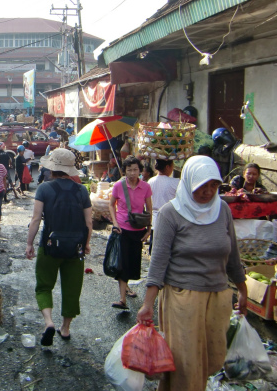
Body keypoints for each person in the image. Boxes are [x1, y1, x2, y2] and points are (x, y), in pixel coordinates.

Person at [137, 156, 247, 391]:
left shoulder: (222, 210)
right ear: (188, 182)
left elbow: (233, 256)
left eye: (214, 185)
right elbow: (158, 262)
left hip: (217, 296)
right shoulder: (170, 213)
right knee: (187, 364)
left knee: (210, 360)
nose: (208, 192)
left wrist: (243, 290)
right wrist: (147, 304)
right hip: (182, 297)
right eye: (202, 186)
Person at [25, 148, 93, 345]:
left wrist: (29, 244)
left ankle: (48, 322)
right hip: (75, 248)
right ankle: (65, 328)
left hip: (49, 246)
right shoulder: (82, 190)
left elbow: (36, 219)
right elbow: (88, 222)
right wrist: (86, 244)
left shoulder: (44, 189)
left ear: (52, 168)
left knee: (44, 286)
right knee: (72, 288)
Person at [108, 155, 153, 310]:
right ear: (124, 171)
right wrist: (115, 223)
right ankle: (122, 299)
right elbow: (111, 204)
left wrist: (149, 229)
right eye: (129, 170)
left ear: (140, 171)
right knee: (123, 263)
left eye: (135, 170)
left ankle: (126, 287)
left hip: (138, 229)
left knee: (133, 262)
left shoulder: (146, 187)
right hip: (122, 229)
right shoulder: (118, 186)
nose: (133, 173)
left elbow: (149, 209)